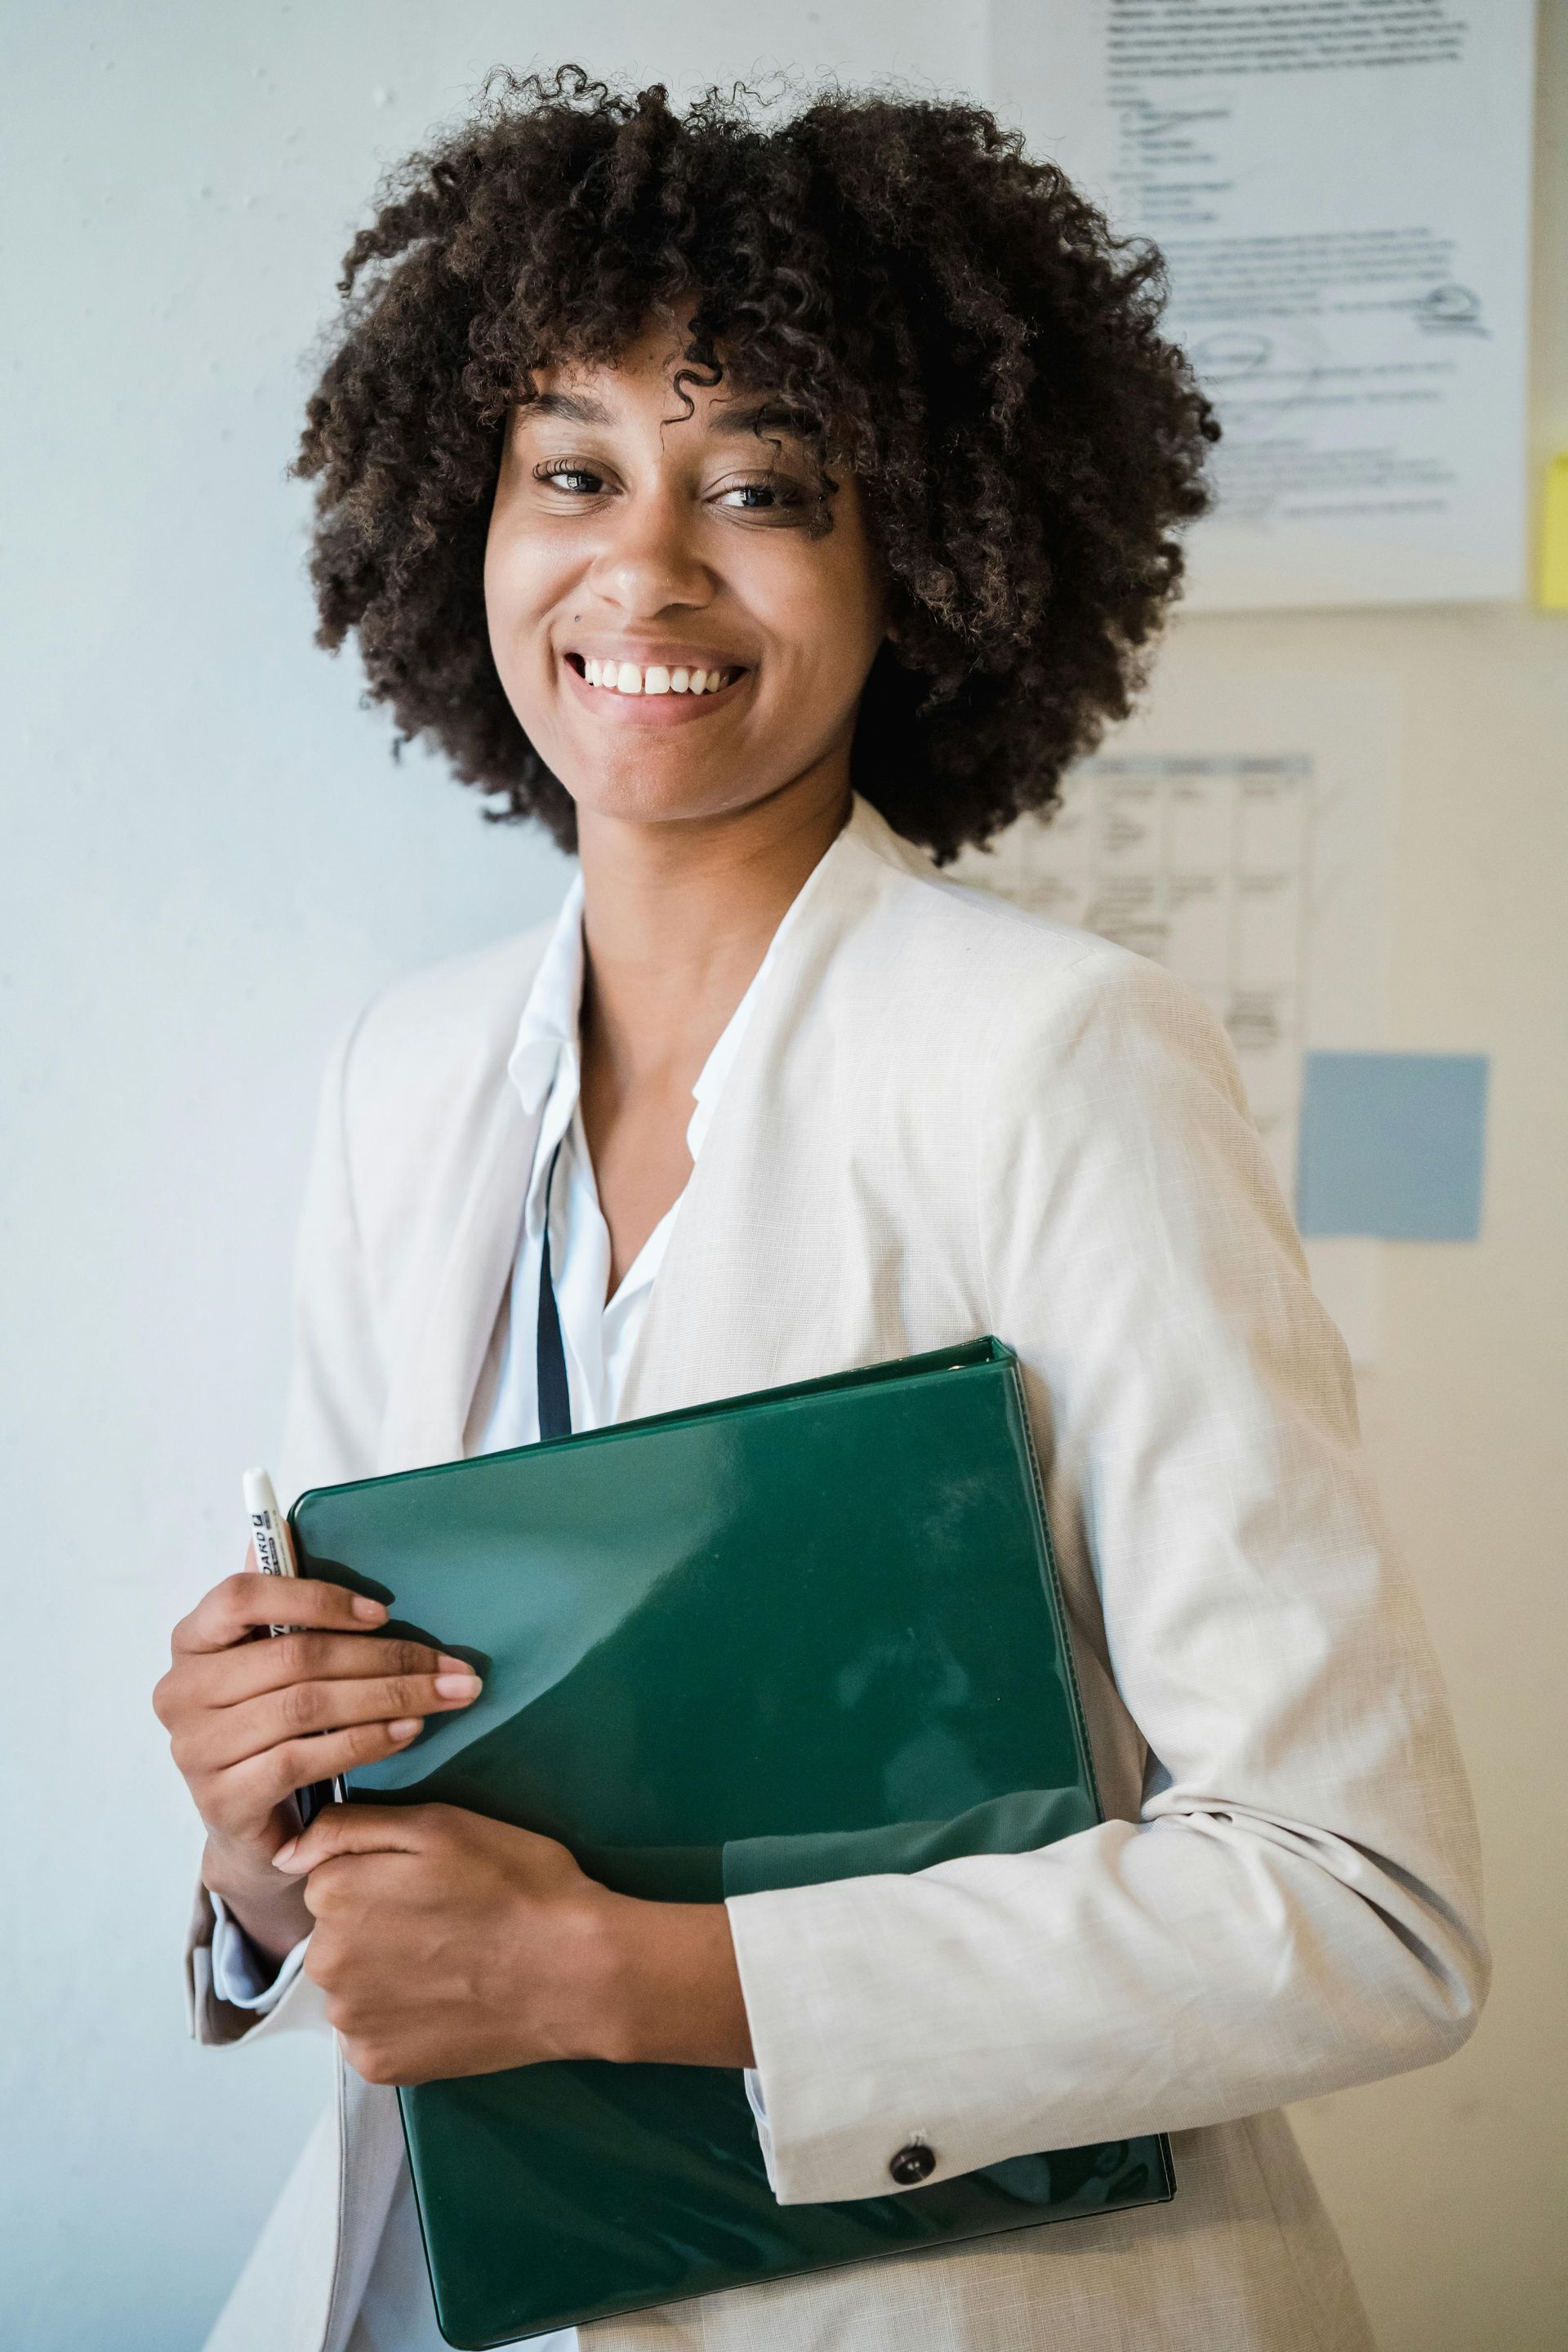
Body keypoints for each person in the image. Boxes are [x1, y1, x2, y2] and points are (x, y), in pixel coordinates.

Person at [153, 69, 1486, 2352]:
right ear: (458, 521)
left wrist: (639, 1978)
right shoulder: (407, 1078)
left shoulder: (1058, 1057)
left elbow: (1367, 1909)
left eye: (762, 485)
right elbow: (397, 1814)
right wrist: (259, 1838)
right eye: (573, 469)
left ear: (930, 566)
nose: (645, 565)